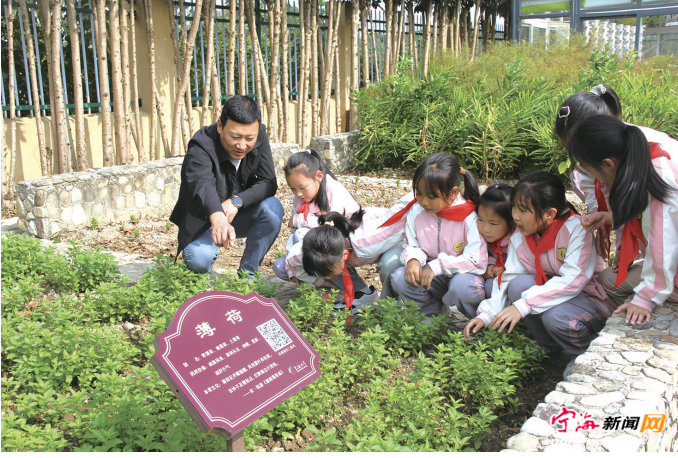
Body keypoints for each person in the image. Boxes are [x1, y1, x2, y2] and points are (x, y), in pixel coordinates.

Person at [463, 171, 615, 358]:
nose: (515, 216)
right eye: (514, 207)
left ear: (550, 214)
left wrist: (523, 305)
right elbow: (508, 278)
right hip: (554, 296)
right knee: (517, 285)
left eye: (523, 210)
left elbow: (573, 280)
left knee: (556, 317)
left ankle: (583, 356)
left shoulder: (577, 230)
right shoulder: (521, 236)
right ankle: (550, 349)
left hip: (590, 298)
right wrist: (486, 315)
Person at [567, 115, 678, 325]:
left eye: (588, 169)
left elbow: (663, 237)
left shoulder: (657, 177)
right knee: (609, 278)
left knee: (611, 283)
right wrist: (609, 217)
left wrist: (645, 298)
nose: (592, 176)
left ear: (608, 164)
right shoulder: (644, 158)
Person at [170, 95, 284, 274]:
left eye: (249, 138)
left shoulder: (259, 135)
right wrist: (218, 219)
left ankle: (247, 275)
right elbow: (202, 186)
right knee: (200, 259)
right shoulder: (201, 146)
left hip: (236, 213)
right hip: (203, 219)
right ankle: (201, 277)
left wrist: (237, 201)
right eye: (235, 137)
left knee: (273, 208)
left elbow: (268, 182)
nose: (242, 145)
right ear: (220, 126)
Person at [390, 153, 487, 317]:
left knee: (461, 287)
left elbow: (477, 261)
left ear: (453, 193)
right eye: (419, 193)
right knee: (401, 277)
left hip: (463, 276)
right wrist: (413, 259)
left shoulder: (470, 216)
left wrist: (439, 266)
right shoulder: (416, 212)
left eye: (431, 196)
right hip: (433, 277)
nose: (423, 201)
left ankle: (478, 321)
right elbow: (413, 245)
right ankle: (433, 316)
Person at [281, 191, 415, 303]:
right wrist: (321, 282)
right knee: (290, 259)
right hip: (354, 250)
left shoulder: (367, 242)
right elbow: (291, 262)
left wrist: (420, 193)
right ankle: (358, 294)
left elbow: (399, 215)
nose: (325, 276)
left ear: (344, 255)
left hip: (394, 238)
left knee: (390, 263)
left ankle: (388, 305)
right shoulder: (311, 248)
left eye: (326, 274)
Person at [272, 149, 360, 280]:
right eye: (293, 189)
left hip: (343, 242)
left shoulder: (334, 191)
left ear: (319, 176)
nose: (298, 193)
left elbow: (334, 226)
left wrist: (300, 220)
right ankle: (323, 286)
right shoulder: (299, 198)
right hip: (316, 247)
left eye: (302, 187)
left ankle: (354, 288)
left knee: (300, 235)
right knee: (280, 267)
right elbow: (293, 230)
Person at [557, 84, 622, 260]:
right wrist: (602, 219)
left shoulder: (637, 159)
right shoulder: (592, 167)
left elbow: (648, 219)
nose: (576, 156)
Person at [450, 182, 515, 320]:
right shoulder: (478, 234)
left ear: (512, 221)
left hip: (509, 282)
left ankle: (504, 323)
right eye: (480, 219)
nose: (485, 229)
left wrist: (505, 268)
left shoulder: (517, 240)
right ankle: (478, 320)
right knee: (461, 284)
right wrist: (490, 263)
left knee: (492, 286)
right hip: (486, 276)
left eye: (493, 223)